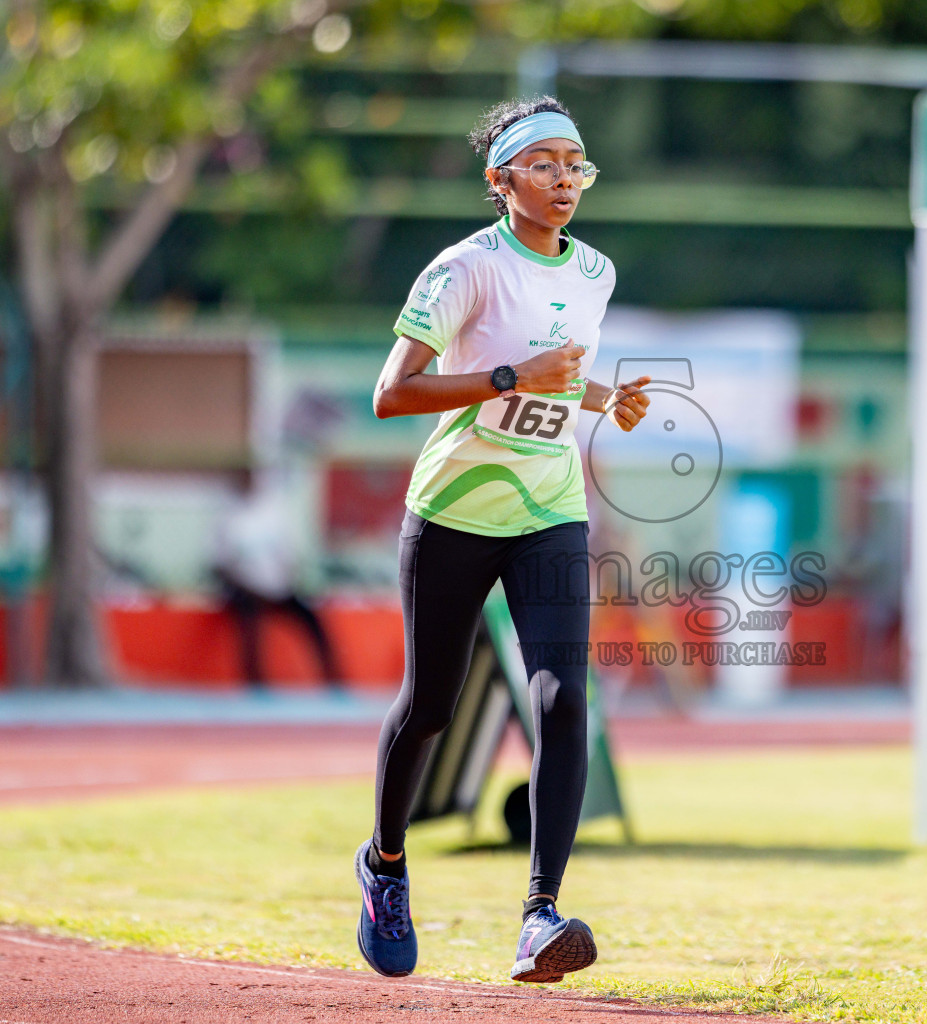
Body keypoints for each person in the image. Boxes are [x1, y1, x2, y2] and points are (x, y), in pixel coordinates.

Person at [353, 97, 653, 984]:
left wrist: (603, 399)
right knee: (431, 709)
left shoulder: (595, 270)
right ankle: (385, 865)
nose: (565, 179)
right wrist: (509, 376)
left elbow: (559, 371)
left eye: (577, 164)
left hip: (550, 508)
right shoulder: (463, 270)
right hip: (453, 508)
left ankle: (539, 916)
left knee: (564, 702)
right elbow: (392, 393)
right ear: (501, 181)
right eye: (545, 164)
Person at [215, 473, 343, 690]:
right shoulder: (228, 519)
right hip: (248, 592)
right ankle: (255, 681)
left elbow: (289, 557)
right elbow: (221, 566)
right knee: (250, 623)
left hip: (278, 589)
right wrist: (250, 587)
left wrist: (288, 580)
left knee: (311, 619)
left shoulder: (272, 513)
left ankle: (334, 678)